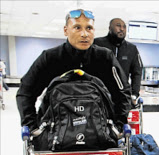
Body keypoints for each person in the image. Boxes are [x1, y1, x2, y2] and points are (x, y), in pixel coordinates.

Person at [16, 9, 131, 140]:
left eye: (89, 28)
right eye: (77, 27)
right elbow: (25, 92)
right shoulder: (50, 58)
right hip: (55, 133)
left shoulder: (104, 58)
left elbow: (123, 92)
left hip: (100, 133)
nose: (84, 34)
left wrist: (119, 125)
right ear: (66, 30)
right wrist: (32, 127)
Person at [95, 18, 142, 105]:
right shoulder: (97, 44)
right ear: (110, 28)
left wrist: (134, 94)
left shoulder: (131, 49)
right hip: (99, 95)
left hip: (122, 96)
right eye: (118, 26)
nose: (122, 29)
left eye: (124, 27)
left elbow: (137, 73)